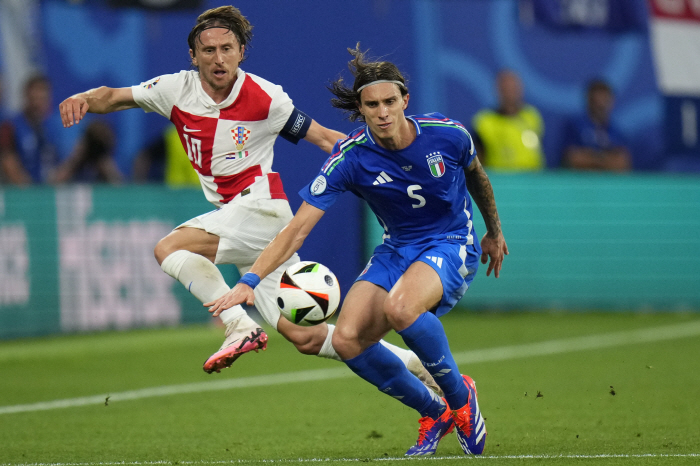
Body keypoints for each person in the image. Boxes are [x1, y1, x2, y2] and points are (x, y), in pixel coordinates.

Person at [58, 6, 439, 393]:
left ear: (241, 52)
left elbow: (327, 139)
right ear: (193, 56)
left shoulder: (265, 97)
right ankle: (420, 368)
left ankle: (238, 325)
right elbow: (112, 97)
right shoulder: (174, 89)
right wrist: (83, 97)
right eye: (208, 50)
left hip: (261, 209)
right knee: (305, 336)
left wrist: (392, 166)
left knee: (169, 247)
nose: (218, 58)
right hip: (238, 217)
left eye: (227, 49)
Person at [207, 45, 508, 456]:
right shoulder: (350, 158)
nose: (382, 112)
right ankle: (433, 411)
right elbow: (296, 230)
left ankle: (460, 398)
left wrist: (493, 231)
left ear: (405, 100)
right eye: (372, 105)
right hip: (397, 248)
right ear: (360, 109)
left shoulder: (448, 134)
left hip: (450, 241)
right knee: (348, 340)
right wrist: (250, 280)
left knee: (401, 309)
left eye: (389, 102)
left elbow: (478, 176)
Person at [471, 70, 545, 171]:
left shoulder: (532, 116)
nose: (510, 93)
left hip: (533, 178)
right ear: (498, 90)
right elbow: (478, 160)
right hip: (499, 179)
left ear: (520, 89)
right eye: (505, 89)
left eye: (513, 88)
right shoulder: (484, 121)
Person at [0, 74, 61, 184]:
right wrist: (29, 189)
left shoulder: (53, 129)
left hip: (48, 188)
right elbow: (8, 160)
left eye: (43, 99)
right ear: (26, 96)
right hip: (22, 190)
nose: (38, 104)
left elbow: (58, 165)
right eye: (35, 98)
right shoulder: (10, 127)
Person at [561, 78, 631, 171]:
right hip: (579, 178)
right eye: (596, 101)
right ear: (588, 100)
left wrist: (591, 158)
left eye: (605, 100)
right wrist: (605, 160)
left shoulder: (616, 131)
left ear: (612, 102)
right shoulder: (575, 126)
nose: (600, 105)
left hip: (608, 180)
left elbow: (622, 163)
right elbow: (573, 159)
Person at [53, 119, 123, 184]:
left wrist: (104, 162)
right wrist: (76, 159)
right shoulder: (77, 159)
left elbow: (118, 185)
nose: (94, 148)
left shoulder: (104, 162)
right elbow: (54, 182)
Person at [132, 123, 201, 186]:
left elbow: (144, 157)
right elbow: (145, 157)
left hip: (191, 189)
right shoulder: (172, 136)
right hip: (176, 189)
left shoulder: (173, 135)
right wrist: (139, 183)